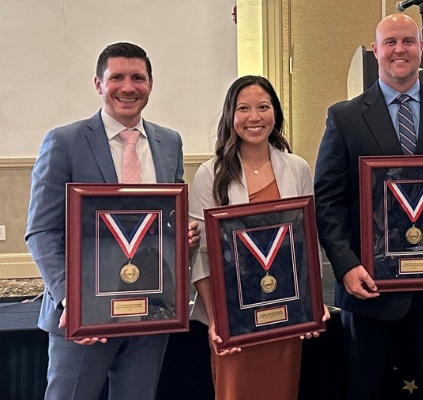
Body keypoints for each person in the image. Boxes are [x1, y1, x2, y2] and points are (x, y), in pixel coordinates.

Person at [313, 13, 423, 400]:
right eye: (391, 42)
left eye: (408, 41)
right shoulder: (344, 117)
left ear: (421, 49)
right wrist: (346, 267)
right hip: (369, 291)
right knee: (366, 391)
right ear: (375, 50)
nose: (400, 50)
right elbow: (328, 202)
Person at [25, 42, 200, 400]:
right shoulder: (64, 142)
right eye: (116, 77)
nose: (128, 87)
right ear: (98, 84)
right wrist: (71, 302)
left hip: (152, 311)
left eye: (138, 77)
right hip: (83, 316)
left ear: (150, 84)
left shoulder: (169, 142)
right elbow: (42, 231)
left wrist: (183, 236)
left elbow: (167, 221)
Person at [188, 75, 330, 400]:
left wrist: (312, 303)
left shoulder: (297, 168)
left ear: (275, 114)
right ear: (231, 116)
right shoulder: (210, 174)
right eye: (244, 109)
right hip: (232, 321)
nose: (254, 117)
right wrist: (216, 322)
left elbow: (307, 244)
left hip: (285, 315)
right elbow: (203, 255)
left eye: (263, 107)